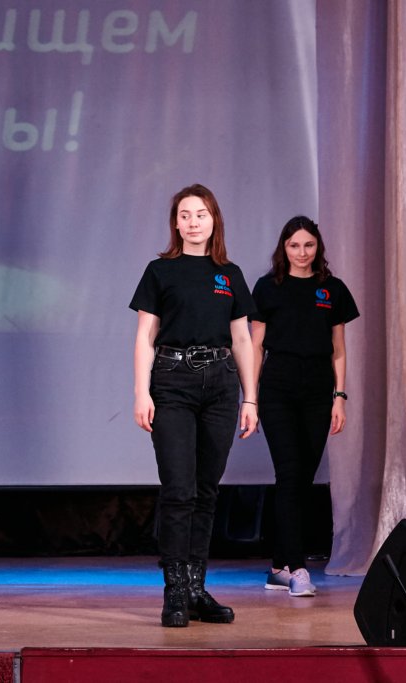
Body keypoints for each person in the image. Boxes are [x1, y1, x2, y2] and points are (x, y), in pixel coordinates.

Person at [130, 184, 258, 627]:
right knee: (179, 489)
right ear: (176, 223)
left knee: (206, 491)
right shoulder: (160, 271)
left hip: (221, 384)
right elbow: (145, 337)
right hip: (173, 383)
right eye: (184, 215)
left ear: (214, 219)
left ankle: (196, 588)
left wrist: (250, 397)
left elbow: (242, 340)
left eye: (200, 214)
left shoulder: (229, 274)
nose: (193, 222)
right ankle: (174, 592)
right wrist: (141, 392)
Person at [251, 216, 359, 597]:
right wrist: (250, 397)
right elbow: (255, 347)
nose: (301, 252)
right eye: (294, 245)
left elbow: (339, 350)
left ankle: (277, 568)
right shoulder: (267, 288)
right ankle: (297, 569)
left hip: (317, 389)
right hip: (277, 388)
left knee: (302, 478)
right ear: (284, 247)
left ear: (318, 247)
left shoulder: (333, 289)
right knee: (289, 473)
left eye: (308, 245)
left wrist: (340, 397)